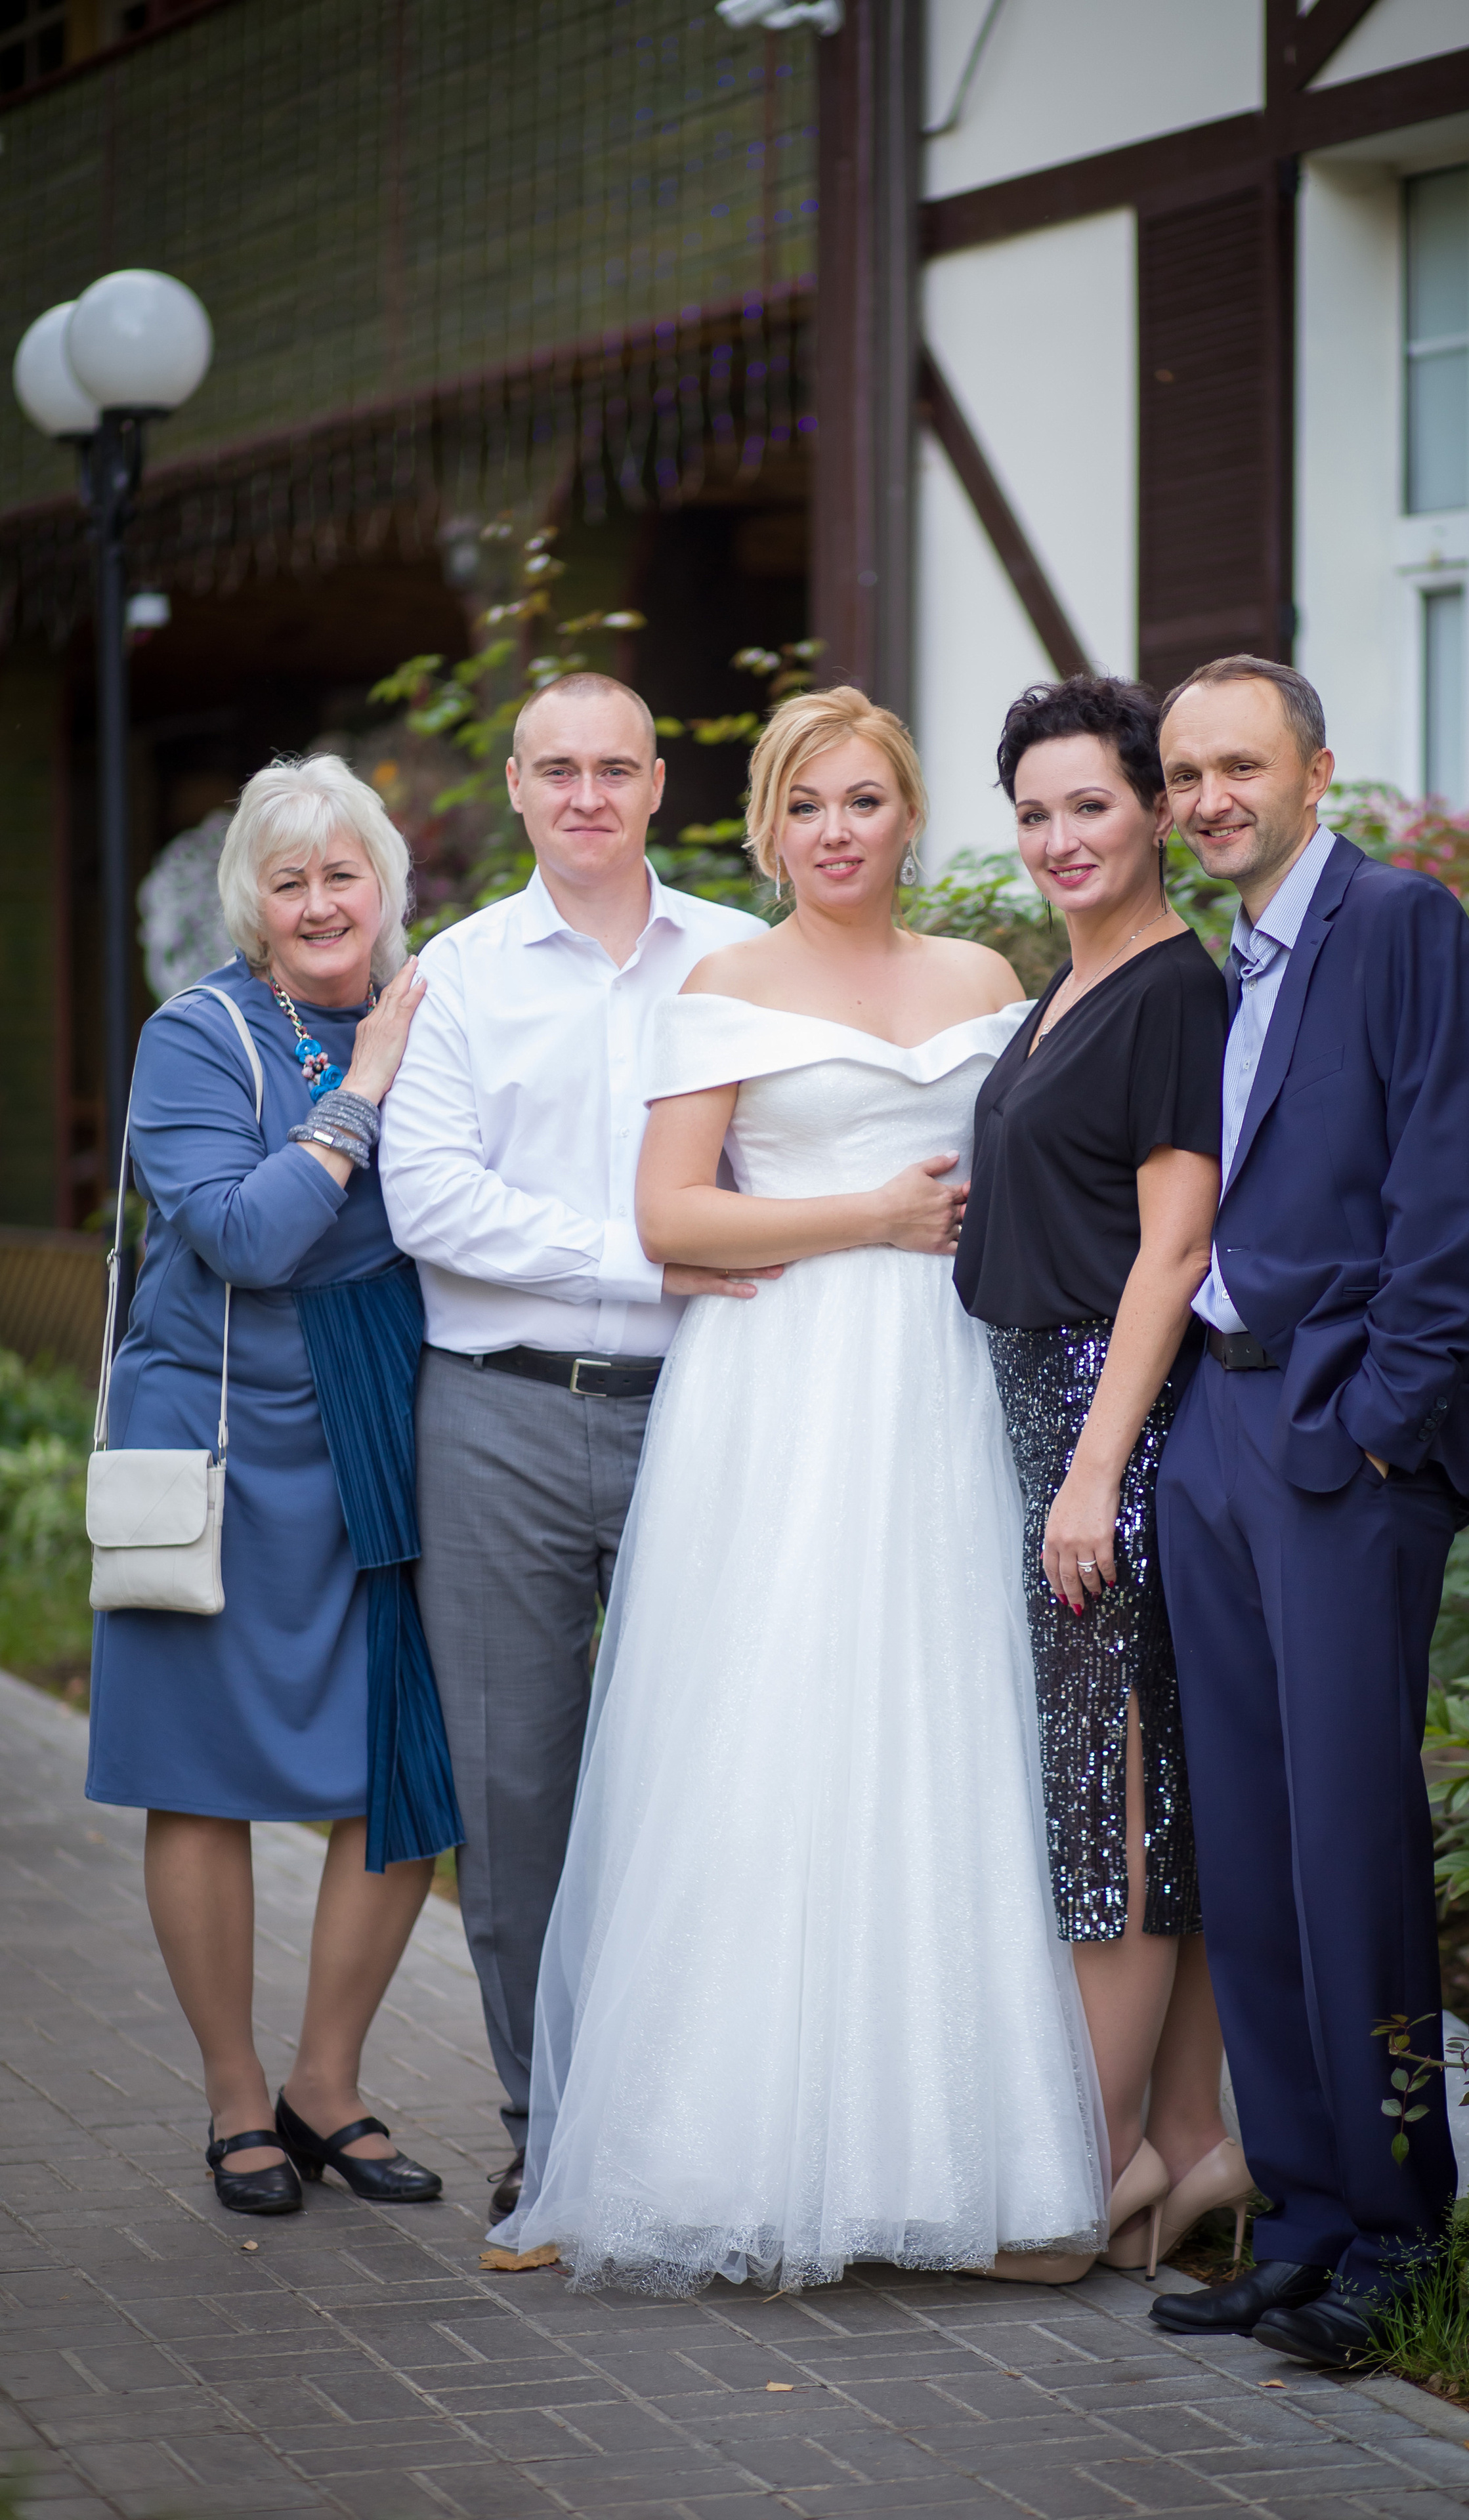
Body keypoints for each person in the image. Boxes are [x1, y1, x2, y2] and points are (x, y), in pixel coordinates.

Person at [492, 684, 1110, 2294]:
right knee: (766, 1731)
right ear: (765, 828)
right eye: (806, 805)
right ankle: (726, 2150)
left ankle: (954, 2160)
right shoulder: (723, 980)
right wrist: (861, 1218)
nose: (837, 833)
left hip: (941, 1394)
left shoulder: (985, 978)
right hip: (779, 1398)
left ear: (910, 819)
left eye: (866, 802)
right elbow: (669, 1220)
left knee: (937, 1728)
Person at [1147, 657, 1469, 2368]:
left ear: (1317, 768)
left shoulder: (1400, 924)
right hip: (1216, 1437)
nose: (1209, 797)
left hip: (1338, 1445)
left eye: (1239, 764)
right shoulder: (1220, 964)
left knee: (1353, 1842)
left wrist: (1382, 1429)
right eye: (1185, 773)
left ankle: (1400, 2226)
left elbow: (1452, 1191)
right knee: (1248, 1845)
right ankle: (1305, 2212)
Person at [378, 674, 768, 2227]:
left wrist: (686, 1256)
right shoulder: (458, 974)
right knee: (518, 1793)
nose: (588, 795)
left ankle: (702, 2122)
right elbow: (433, 1208)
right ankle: (551, 2128)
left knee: (720, 1779)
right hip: (495, 1420)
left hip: (713, 1414)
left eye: (616, 768)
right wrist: (654, 1247)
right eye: (559, 771)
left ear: (659, 783)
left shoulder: (743, 957)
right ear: (519, 793)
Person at [87, 754, 459, 2217]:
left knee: (397, 1767)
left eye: (341, 874)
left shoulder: (440, 1011)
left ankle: (329, 2084)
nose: (318, 903)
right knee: (202, 1777)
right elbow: (243, 1238)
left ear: (384, 886)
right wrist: (360, 1094)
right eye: (288, 880)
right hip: (219, 1431)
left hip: (382, 1411)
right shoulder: (197, 1037)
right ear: (253, 902)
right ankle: (238, 2103)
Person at [955, 676, 1250, 2280]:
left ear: (1151, 811)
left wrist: (1091, 1472)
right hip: (1050, 1415)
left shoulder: (1165, 992)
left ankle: (1080, 2174)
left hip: (1102, 1424)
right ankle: (1189, 2148)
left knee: (1106, 1812)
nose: (1059, 837)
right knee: (1144, 1794)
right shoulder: (1063, 988)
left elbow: (1173, 1247)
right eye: (1032, 811)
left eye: (1090, 804)